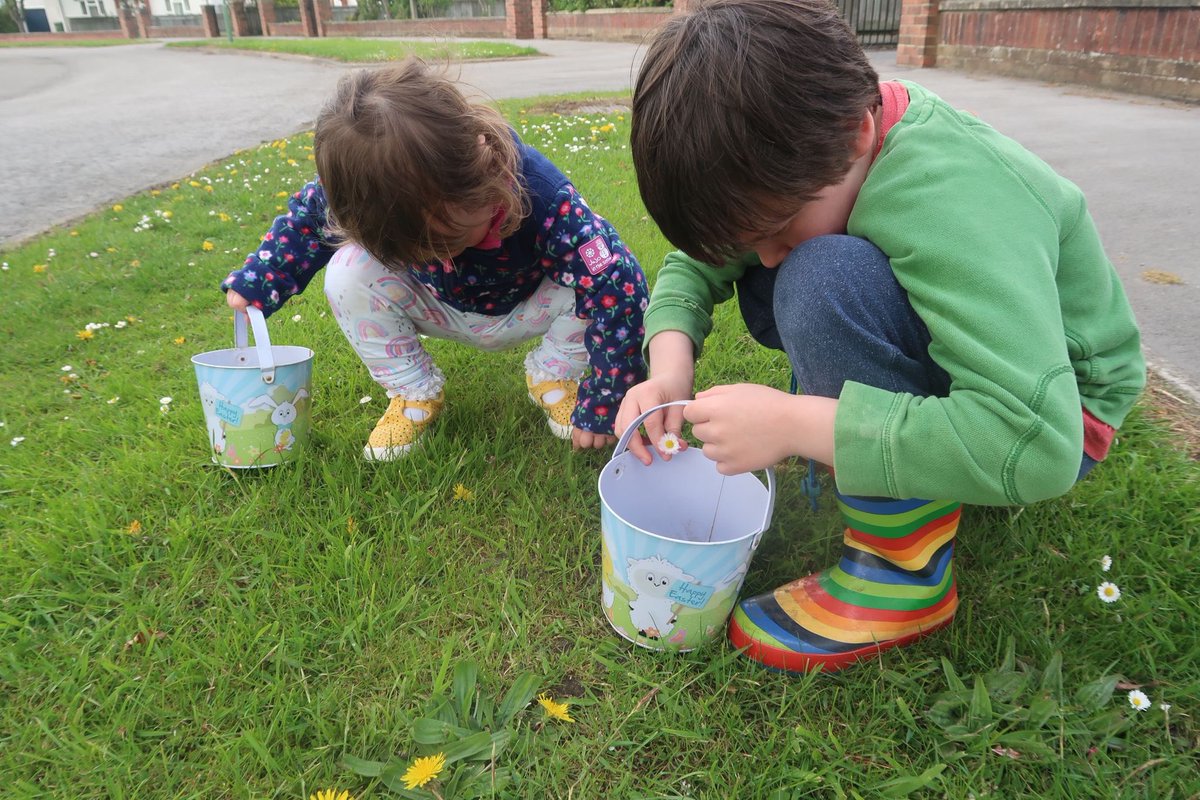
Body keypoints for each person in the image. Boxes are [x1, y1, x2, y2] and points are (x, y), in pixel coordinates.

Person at [616, 0, 1145, 673]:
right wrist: (669, 365)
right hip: (994, 381)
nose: (764, 256)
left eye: (776, 228)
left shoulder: (947, 198)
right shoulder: (820, 147)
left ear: (857, 133)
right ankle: (895, 456)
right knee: (802, 269)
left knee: (820, 278)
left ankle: (901, 573)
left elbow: (1038, 445)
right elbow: (699, 262)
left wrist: (800, 423)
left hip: (1056, 413)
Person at [221, 59, 648, 460]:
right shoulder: (367, 192)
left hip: (530, 305)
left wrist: (606, 400)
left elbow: (618, 285)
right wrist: (261, 278)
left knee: (599, 280)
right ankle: (414, 391)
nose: (442, 255)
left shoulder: (546, 197)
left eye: (450, 239)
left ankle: (554, 373)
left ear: (479, 172)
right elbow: (306, 221)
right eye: (419, 250)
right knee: (347, 274)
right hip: (437, 306)